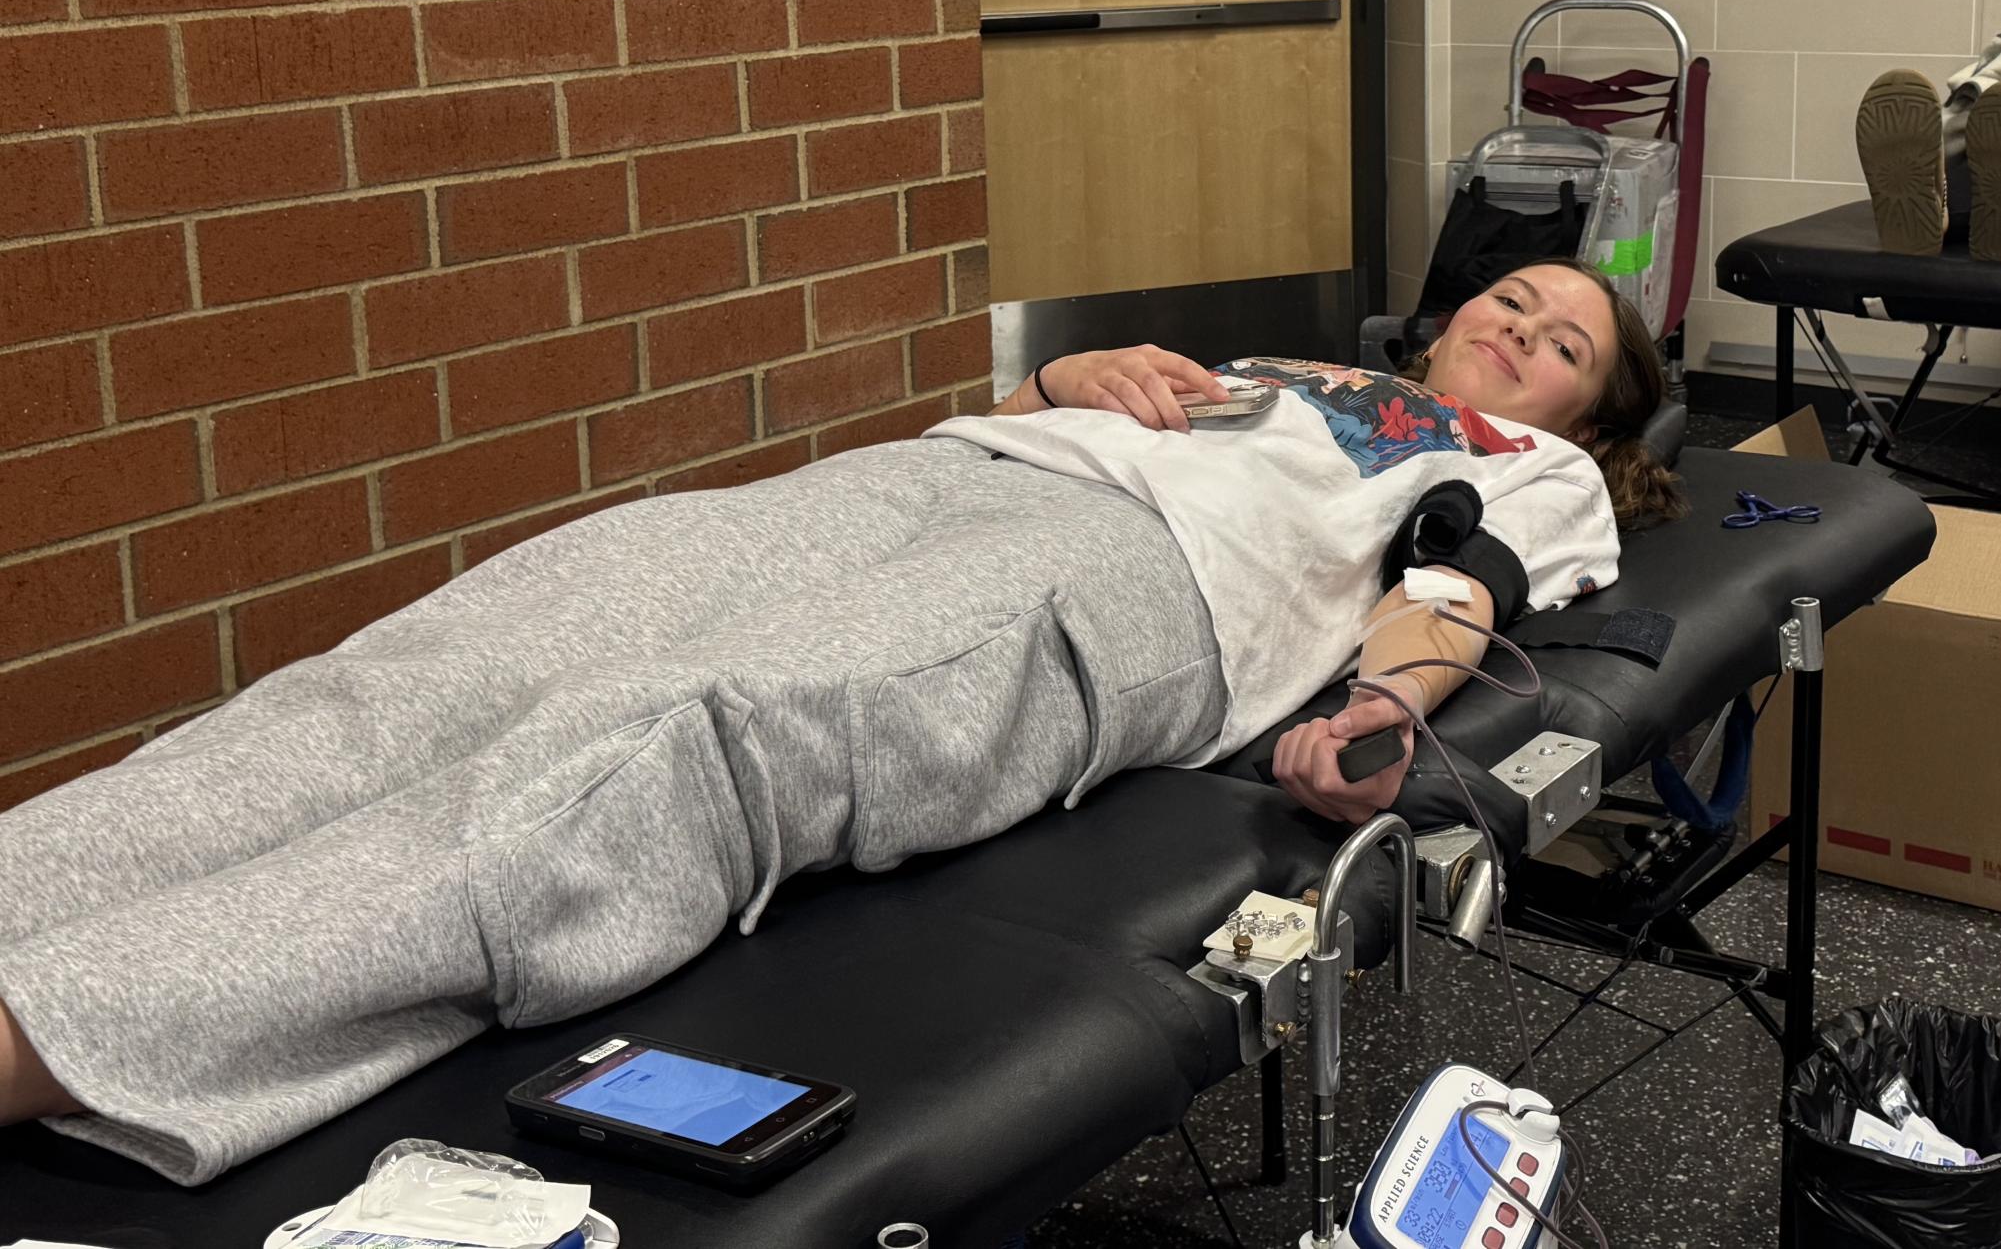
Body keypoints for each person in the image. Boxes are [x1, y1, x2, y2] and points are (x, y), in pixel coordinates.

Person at [0, 258, 1682, 1184]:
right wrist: (1055, 386)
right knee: (455, 653)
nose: (1517, 332)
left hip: (1134, 591)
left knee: (665, 739)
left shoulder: (1538, 481)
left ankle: (64, 1036)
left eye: (1559, 346)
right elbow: (1070, 417)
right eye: (1514, 300)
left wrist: (1383, 703)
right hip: (932, 480)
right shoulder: (1316, 372)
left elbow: (1459, 590)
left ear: (1581, 417)